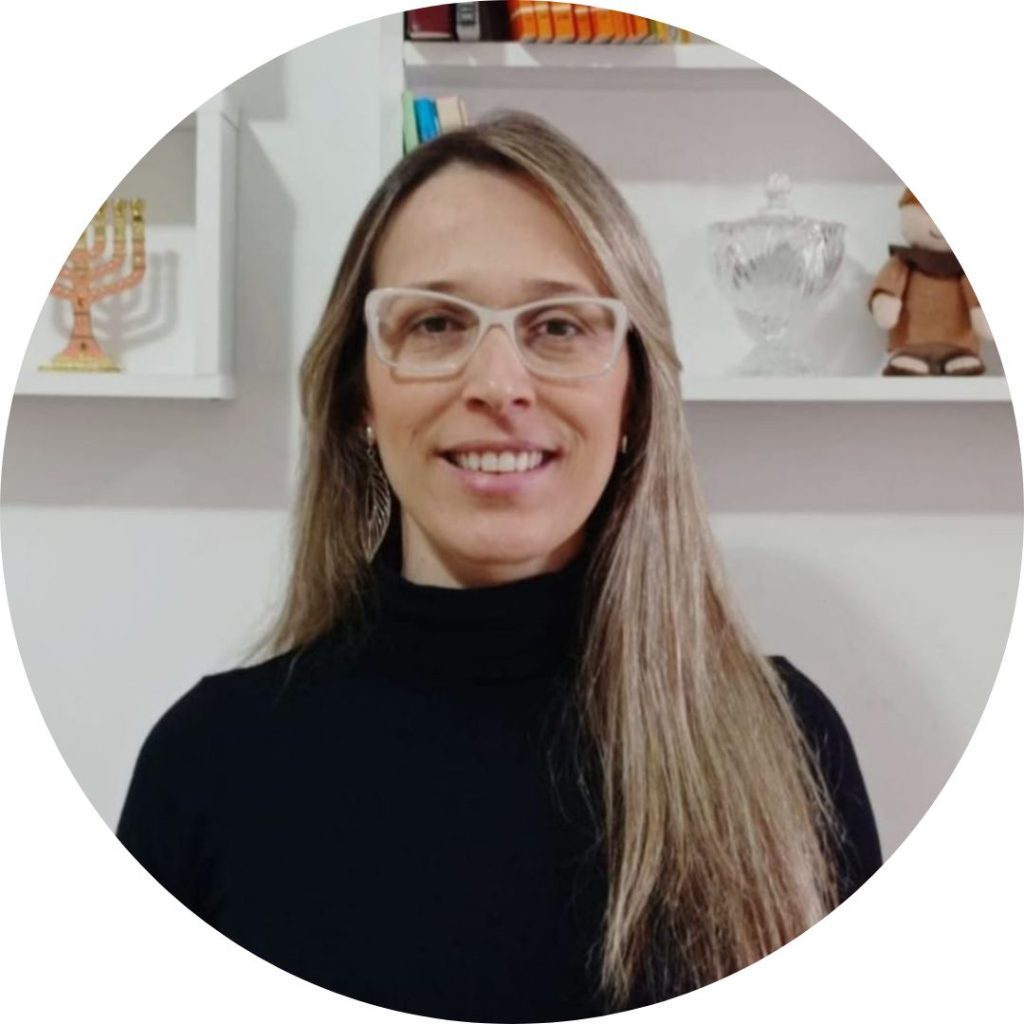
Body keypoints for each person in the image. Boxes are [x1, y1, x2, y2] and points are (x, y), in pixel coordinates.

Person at [116, 110, 882, 1022]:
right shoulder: (207, 766)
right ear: (360, 395)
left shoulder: (786, 745)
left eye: (557, 326)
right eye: (437, 322)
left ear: (634, 395)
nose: (498, 384)